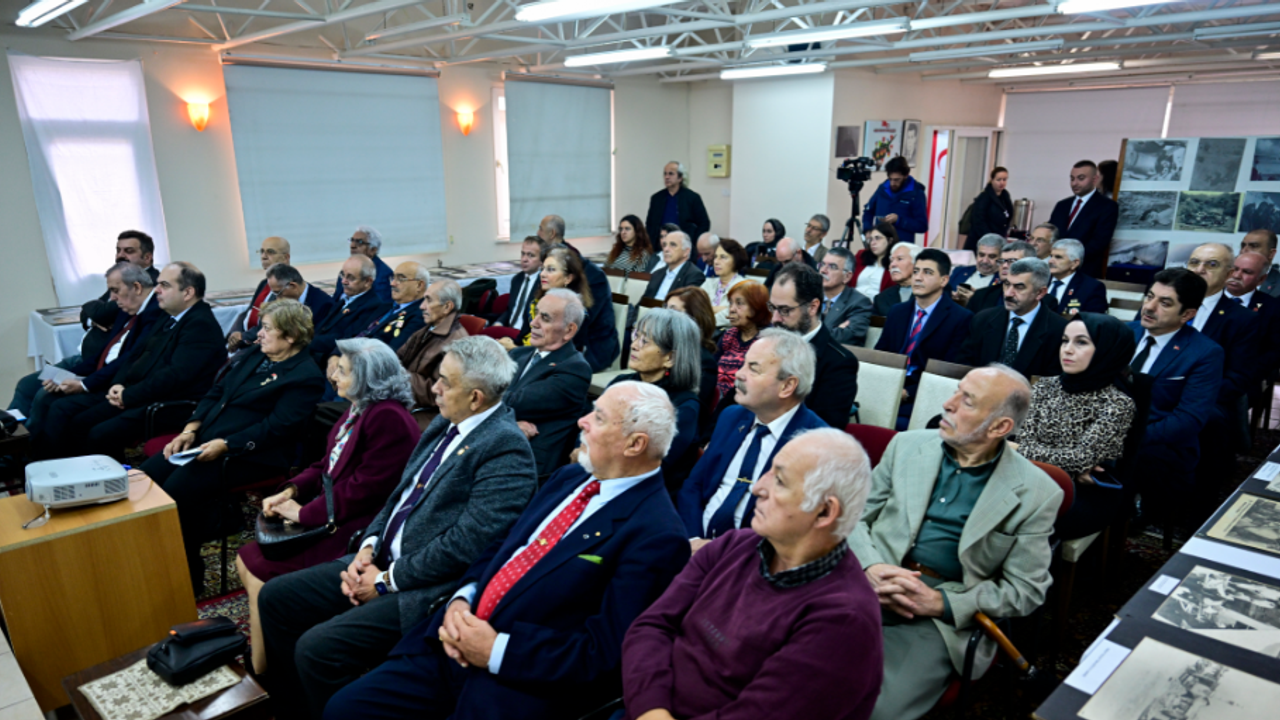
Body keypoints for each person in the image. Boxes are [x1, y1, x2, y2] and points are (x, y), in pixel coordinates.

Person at [323, 382, 691, 720]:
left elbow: (603, 654)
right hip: (455, 636)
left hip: (517, 681)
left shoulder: (657, 534)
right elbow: (505, 546)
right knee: (345, 708)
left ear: (634, 444)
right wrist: (462, 599)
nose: (583, 421)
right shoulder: (570, 478)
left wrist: (496, 650)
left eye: (598, 417)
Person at [259, 335, 538, 720]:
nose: (433, 388)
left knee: (317, 649)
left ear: (475, 398)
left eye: (444, 382)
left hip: (423, 588)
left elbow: (467, 546)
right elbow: (399, 496)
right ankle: (294, 708)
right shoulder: (445, 422)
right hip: (379, 561)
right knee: (276, 597)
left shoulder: (506, 449)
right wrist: (368, 548)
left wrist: (384, 581)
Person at [623, 429, 882, 720]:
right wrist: (651, 708)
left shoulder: (844, 620)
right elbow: (651, 626)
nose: (758, 487)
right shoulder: (733, 546)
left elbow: (759, 714)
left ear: (824, 512)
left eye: (779, 481)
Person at [853, 366, 1062, 720]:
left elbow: (1026, 591)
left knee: (875, 708)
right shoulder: (906, 445)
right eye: (956, 391)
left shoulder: (1037, 493)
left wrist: (941, 603)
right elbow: (853, 518)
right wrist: (870, 567)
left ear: (999, 427)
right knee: (791, 664)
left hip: (940, 618)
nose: (947, 404)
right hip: (866, 582)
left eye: (968, 401)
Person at [237, 337, 420, 675]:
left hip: (359, 527)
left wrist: (303, 513)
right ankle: (265, 659)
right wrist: (291, 490)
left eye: (344, 371)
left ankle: (266, 672)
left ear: (367, 379)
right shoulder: (359, 409)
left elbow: (364, 490)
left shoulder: (388, 417)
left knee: (261, 573)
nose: (334, 376)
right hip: (336, 513)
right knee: (247, 559)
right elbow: (326, 465)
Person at [138, 299, 326, 592]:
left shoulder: (305, 376)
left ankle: (186, 579)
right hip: (207, 440)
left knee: (176, 493)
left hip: (252, 454)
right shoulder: (256, 354)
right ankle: (151, 555)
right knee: (145, 479)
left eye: (266, 328)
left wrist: (226, 445)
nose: (258, 334)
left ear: (290, 336)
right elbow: (217, 392)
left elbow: (274, 429)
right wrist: (190, 429)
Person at [35, 262, 226, 460]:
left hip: (172, 404)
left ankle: (113, 476)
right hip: (145, 393)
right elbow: (136, 354)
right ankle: (70, 471)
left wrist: (128, 395)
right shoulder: (170, 316)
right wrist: (119, 384)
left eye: (164, 285)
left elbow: (175, 376)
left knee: (98, 434)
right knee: (79, 422)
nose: (157, 290)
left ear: (187, 293)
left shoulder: (200, 324)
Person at [679, 329, 826, 543]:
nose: (739, 374)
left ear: (787, 386)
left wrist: (721, 553)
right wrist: (693, 541)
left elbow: (793, 529)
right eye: (743, 364)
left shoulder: (816, 444)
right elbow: (694, 486)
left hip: (750, 556)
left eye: (753, 369)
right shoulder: (732, 417)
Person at [1018, 313, 1137, 540]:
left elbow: (1080, 458)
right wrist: (1069, 465)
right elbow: (1026, 441)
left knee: (1018, 514)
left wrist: (1022, 452)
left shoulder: (1118, 402)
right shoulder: (1045, 386)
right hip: (1033, 477)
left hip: (1086, 494)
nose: (1067, 350)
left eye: (1081, 342)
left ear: (1107, 349)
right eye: (1065, 341)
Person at [16, 262, 163, 434]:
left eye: (115, 290)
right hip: (96, 368)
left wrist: (84, 384)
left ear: (137, 287)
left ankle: (30, 445)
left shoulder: (154, 312)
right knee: (35, 385)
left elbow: (129, 358)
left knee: (50, 400)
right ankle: (15, 436)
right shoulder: (127, 307)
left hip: (116, 382)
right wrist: (66, 375)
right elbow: (102, 349)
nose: (112, 298)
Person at [1127, 269, 1223, 528]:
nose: (1149, 307)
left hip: (1160, 446)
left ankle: (1120, 519)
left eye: (1165, 303)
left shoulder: (1204, 353)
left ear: (1187, 314)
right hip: (1110, 431)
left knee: (1123, 464)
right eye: (1150, 296)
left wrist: (1127, 438)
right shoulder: (1125, 333)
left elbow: (1187, 420)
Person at [1184, 243, 1259, 512]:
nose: (1200, 269)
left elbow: (1238, 378)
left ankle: (1199, 514)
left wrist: (1192, 398)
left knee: (1211, 425)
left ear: (1228, 274)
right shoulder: (1163, 304)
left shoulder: (1242, 319)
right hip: (1159, 397)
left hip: (1208, 403)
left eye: (1211, 264)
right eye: (1194, 262)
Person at [876, 249, 973, 430]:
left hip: (923, 393)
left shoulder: (960, 318)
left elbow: (949, 370)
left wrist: (908, 392)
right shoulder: (897, 311)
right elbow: (881, 354)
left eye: (927, 272)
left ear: (944, 280)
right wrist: (886, 385)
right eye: (916, 271)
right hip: (889, 386)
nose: (918, 278)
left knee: (897, 424)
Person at [609, 309, 703, 493]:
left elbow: (650, 465)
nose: (634, 345)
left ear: (670, 358)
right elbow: (588, 428)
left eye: (645, 341)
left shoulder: (684, 407)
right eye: (636, 336)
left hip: (643, 493)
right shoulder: (620, 383)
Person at [504, 289, 593, 478]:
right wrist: (511, 423)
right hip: (498, 446)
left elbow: (514, 402)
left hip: (526, 466)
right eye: (536, 313)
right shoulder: (518, 354)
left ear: (569, 330)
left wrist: (483, 398)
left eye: (545, 318)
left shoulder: (575, 369)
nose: (533, 323)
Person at [770, 263, 859, 429]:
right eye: (772, 308)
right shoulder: (765, 345)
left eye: (784, 310)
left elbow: (824, 431)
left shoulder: (839, 363)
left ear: (812, 307)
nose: (774, 318)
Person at [957, 258, 1067, 378]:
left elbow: (1053, 380)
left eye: (1019, 287)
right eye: (1007, 284)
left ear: (1040, 292)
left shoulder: (1059, 330)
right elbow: (964, 365)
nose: (1008, 293)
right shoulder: (983, 320)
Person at [537, 219, 619, 372]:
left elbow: (580, 324)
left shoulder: (595, 277)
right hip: (556, 340)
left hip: (591, 347)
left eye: (552, 268)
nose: (544, 274)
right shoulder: (549, 277)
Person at [397, 280, 470, 430]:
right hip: (405, 400)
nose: (422, 306)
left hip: (426, 416)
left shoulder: (456, 343)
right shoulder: (426, 330)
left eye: (428, 300)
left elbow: (438, 393)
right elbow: (398, 358)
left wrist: (397, 374)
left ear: (447, 307)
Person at [499, 245, 592, 348]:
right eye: (542, 269)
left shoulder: (575, 313)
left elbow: (559, 354)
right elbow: (522, 338)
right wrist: (509, 343)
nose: (542, 274)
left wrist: (514, 349)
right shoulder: (535, 303)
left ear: (568, 278)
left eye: (550, 269)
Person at [311, 255, 393, 364]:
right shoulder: (345, 299)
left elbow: (345, 339)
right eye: (342, 275)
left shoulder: (372, 306)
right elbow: (324, 327)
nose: (343, 281)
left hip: (329, 360)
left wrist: (306, 342)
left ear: (368, 281)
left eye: (351, 278)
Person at [1047, 161, 1119, 278]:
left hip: (1084, 270)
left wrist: (1068, 259)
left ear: (1094, 179)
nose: (1074, 183)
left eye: (1081, 178)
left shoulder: (1107, 206)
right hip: (1055, 268)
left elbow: (1099, 241)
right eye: (1072, 178)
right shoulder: (1062, 205)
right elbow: (1051, 233)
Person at [238, 263, 334, 348]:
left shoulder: (323, 305)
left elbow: (318, 341)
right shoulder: (281, 296)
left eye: (278, 293)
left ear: (293, 286)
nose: (277, 299)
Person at [664, 286, 719, 429]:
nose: (664, 317)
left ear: (694, 319)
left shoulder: (704, 363)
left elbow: (686, 410)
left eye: (673, 311)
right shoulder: (662, 348)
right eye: (665, 309)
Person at [228, 236, 292, 351]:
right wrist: (235, 332)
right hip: (244, 340)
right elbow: (248, 312)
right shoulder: (264, 283)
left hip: (261, 345)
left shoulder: (289, 287)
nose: (263, 256)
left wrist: (243, 337)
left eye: (270, 252)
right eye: (262, 251)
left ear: (286, 257)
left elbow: (273, 325)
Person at [714, 281, 771, 404]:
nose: (732, 309)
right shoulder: (728, 335)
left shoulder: (768, 340)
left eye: (739, 304)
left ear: (757, 307)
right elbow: (711, 371)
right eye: (731, 303)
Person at [862, 156, 928, 245]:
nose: (893, 183)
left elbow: (922, 226)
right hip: (880, 246)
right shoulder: (882, 189)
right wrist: (867, 229)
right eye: (890, 179)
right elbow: (868, 211)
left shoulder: (916, 194)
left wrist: (899, 220)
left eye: (897, 180)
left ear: (906, 175)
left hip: (902, 247)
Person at [967, 241, 1039, 315]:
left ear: (1030, 266)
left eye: (1012, 261)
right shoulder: (981, 296)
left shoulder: (1043, 300)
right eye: (1002, 261)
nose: (1004, 266)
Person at [492, 236, 547, 333]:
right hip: (508, 331)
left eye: (531, 255)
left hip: (527, 334)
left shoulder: (544, 284)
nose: (524, 259)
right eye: (523, 254)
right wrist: (499, 323)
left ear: (541, 261)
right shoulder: (517, 279)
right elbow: (511, 310)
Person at [645, 160, 710, 242]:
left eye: (671, 174)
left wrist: (693, 240)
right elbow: (649, 224)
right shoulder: (656, 198)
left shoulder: (692, 197)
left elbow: (704, 223)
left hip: (684, 243)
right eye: (665, 174)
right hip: (659, 243)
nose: (667, 177)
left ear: (680, 178)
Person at [820, 247, 874, 346]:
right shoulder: (808, 296)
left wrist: (811, 333)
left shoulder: (860, 303)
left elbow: (846, 338)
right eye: (822, 264)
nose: (823, 270)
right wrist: (836, 331)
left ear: (847, 276)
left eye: (832, 266)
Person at [331, 226, 394, 304]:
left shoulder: (383, 273)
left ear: (373, 250)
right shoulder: (347, 269)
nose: (352, 246)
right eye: (352, 240)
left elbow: (380, 305)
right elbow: (336, 297)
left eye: (359, 242)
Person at [1046, 238, 1108, 315]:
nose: (1050, 261)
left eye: (1058, 257)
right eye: (1051, 256)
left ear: (1075, 263)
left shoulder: (1091, 288)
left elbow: (1092, 319)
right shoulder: (1040, 280)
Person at [701, 238, 750, 327]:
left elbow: (734, 315)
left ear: (735, 260)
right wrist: (721, 309)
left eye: (723, 257)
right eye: (715, 257)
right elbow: (694, 307)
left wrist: (706, 314)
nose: (716, 261)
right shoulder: (708, 283)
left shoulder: (744, 286)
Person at [643, 231, 704, 300]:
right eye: (665, 245)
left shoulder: (694, 275)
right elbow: (643, 302)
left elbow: (684, 304)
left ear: (686, 252)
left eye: (673, 245)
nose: (666, 249)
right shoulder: (657, 274)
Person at [963, 167, 1012, 249]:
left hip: (998, 238)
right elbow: (978, 221)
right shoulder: (984, 197)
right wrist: (989, 239)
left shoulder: (1005, 195)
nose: (1002, 182)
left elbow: (1008, 215)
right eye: (998, 180)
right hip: (982, 240)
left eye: (1004, 179)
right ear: (992, 180)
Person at [950, 233, 1004, 306]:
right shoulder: (959, 271)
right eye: (981, 255)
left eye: (991, 256)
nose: (985, 261)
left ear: (1001, 258)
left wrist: (976, 299)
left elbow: (999, 308)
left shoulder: (1003, 281)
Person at [872, 241, 918, 316]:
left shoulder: (931, 294)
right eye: (891, 261)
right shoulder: (881, 299)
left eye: (900, 259)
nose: (893, 264)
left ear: (916, 264)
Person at [853, 222, 897, 300]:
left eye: (877, 238)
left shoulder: (895, 263)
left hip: (877, 305)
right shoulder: (861, 255)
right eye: (871, 239)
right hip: (852, 303)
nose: (873, 243)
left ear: (890, 240)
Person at [1240, 228, 1280, 297]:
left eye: (1253, 246)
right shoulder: (1226, 278)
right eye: (1243, 246)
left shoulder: (1277, 287)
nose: (1243, 251)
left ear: (1271, 253)